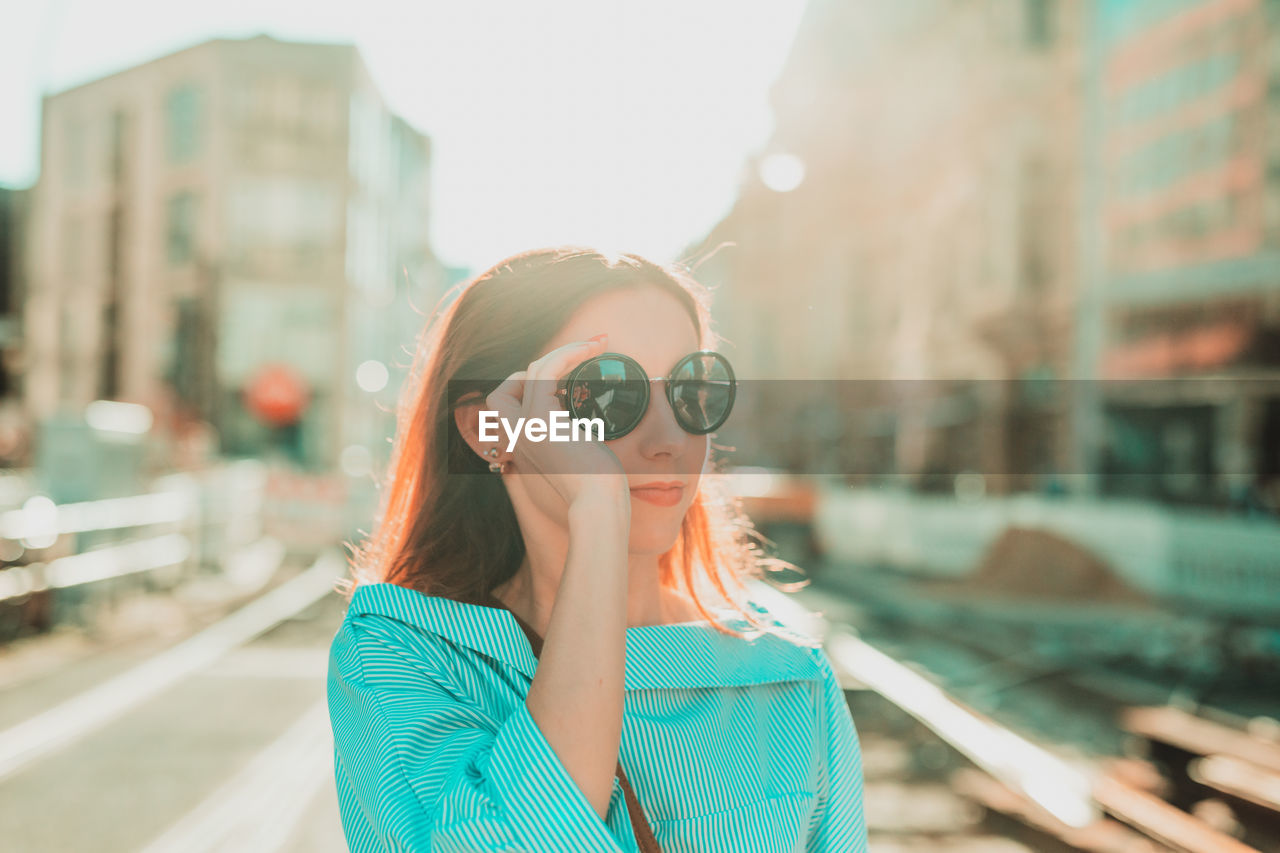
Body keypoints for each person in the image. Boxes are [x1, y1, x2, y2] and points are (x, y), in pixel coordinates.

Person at [326, 246, 868, 852]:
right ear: (492, 427)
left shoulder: (787, 671)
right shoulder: (403, 654)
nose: (669, 439)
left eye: (692, 390)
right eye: (606, 394)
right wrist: (599, 510)